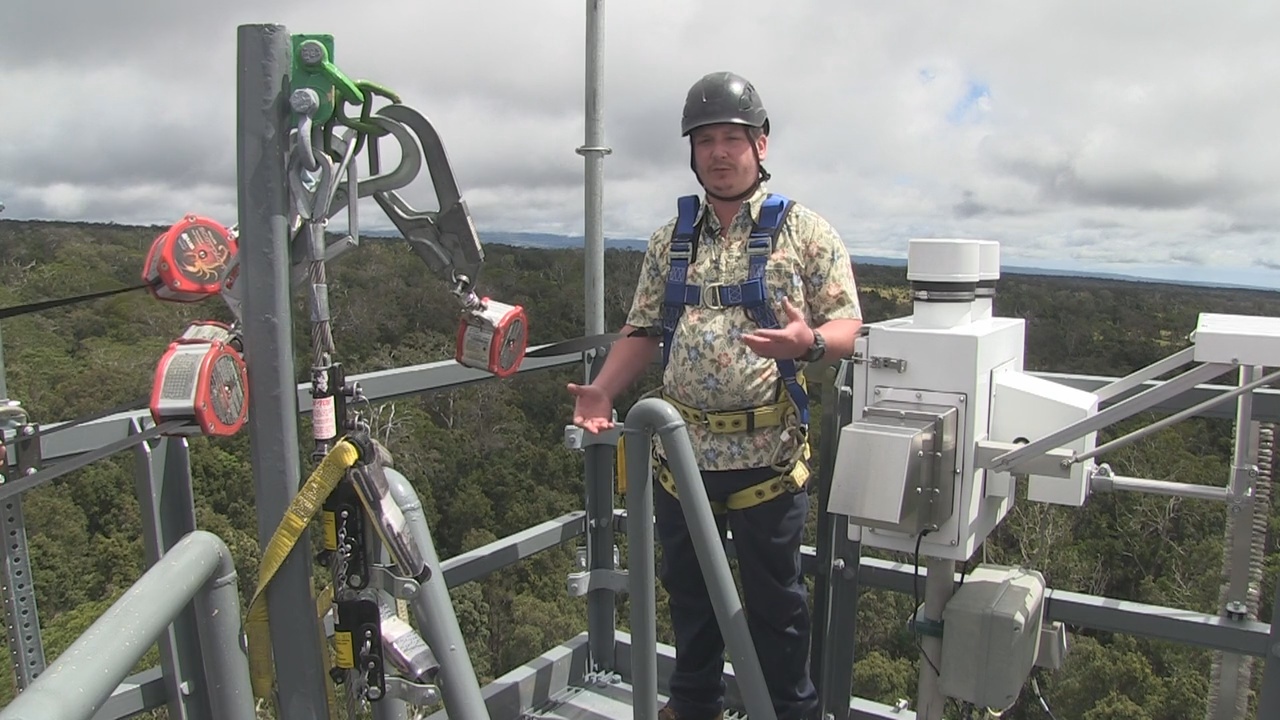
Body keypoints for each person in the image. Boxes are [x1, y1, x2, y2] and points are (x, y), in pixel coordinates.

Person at [567, 70, 863, 720]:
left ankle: (790, 712)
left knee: (775, 606)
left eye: (734, 138)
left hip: (768, 462)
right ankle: (693, 705)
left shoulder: (805, 233)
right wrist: (602, 392)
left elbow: (848, 324)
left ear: (762, 144)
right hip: (683, 462)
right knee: (690, 596)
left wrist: (808, 342)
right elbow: (643, 330)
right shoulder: (671, 240)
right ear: (693, 152)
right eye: (706, 141)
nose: (720, 153)